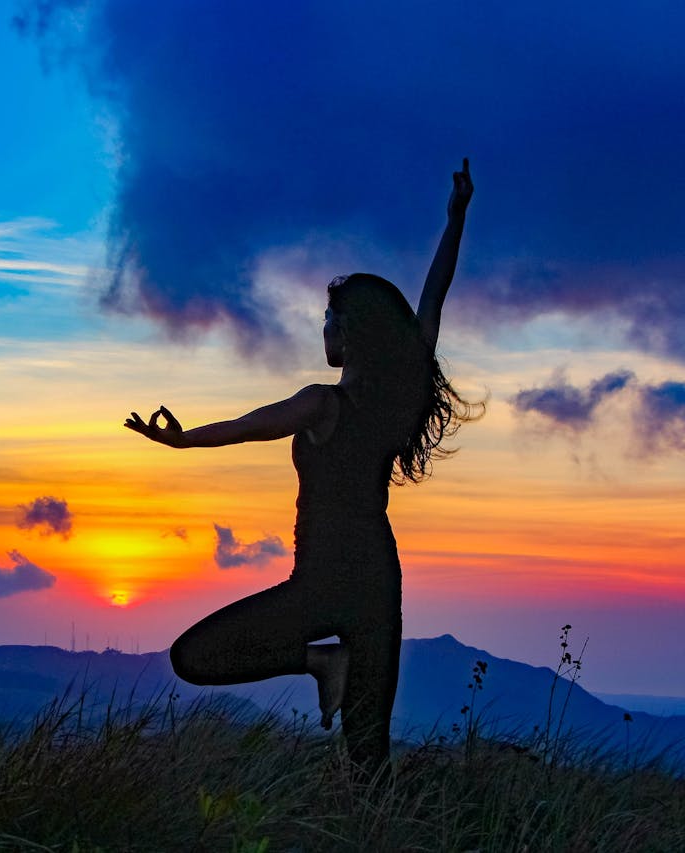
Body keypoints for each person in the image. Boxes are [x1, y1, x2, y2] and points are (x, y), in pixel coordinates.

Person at [124, 159, 480, 775]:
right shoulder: (396, 401)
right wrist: (456, 220)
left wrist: (183, 442)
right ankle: (335, 682)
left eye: (330, 320)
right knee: (368, 761)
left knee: (194, 656)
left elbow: (249, 425)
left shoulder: (323, 403)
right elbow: (432, 301)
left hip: (322, 582)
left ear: (352, 332)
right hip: (377, 581)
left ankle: (320, 662)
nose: (324, 329)